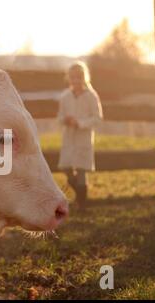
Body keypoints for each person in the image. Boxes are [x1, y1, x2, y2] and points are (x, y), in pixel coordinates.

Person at [57, 62, 103, 209]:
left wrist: (80, 123)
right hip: (69, 138)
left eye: (79, 77)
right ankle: (79, 195)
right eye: (73, 77)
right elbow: (59, 116)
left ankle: (82, 203)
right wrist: (66, 120)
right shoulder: (65, 97)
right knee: (66, 168)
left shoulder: (91, 96)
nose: (76, 80)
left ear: (84, 78)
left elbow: (97, 118)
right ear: (68, 78)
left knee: (82, 171)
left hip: (83, 138)